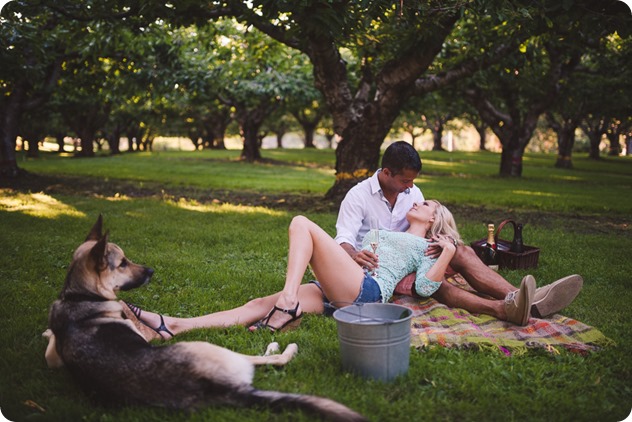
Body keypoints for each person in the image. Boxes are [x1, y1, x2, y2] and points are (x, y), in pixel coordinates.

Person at [126, 200, 552, 342]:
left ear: (434, 218)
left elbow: (424, 287)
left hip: (365, 295)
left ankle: (289, 299)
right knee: (257, 303)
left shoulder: (427, 245)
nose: (419, 202)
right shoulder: (389, 232)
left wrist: (444, 253)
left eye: (427, 204)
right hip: (340, 288)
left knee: (300, 224)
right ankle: (174, 326)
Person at [335, 140, 583, 319]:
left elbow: (424, 228)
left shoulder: (412, 193)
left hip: (408, 256)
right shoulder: (357, 196)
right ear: (387, 173)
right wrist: (355, 255)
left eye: (412, 181)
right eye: (405, 181)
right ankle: (501, 309)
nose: (411, 188)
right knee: (435, 284)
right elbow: (343, 239)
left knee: (461, 251)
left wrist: (445, 245)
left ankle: (522, 297)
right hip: (376, 269)